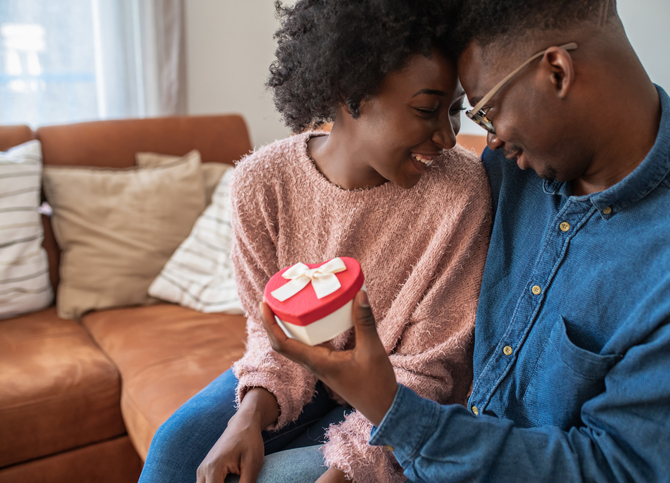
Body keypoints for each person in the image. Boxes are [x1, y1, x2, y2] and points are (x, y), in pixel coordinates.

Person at [262, 0, 670, 481]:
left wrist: (393, 410)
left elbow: (612, 469)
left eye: (484, 112)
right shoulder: (516, 168)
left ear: (557, 73)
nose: (490, 142)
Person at [138, 1, 492, 482]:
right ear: (351, 93)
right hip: (299, 372)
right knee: (175, 450)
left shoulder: (461, 192)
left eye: (455, 112)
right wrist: (248, 415)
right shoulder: (261, 182)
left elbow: (432, 369)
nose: (449, 138)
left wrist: (349, 470)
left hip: (401, 401)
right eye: (428, 110)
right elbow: (271, 332)